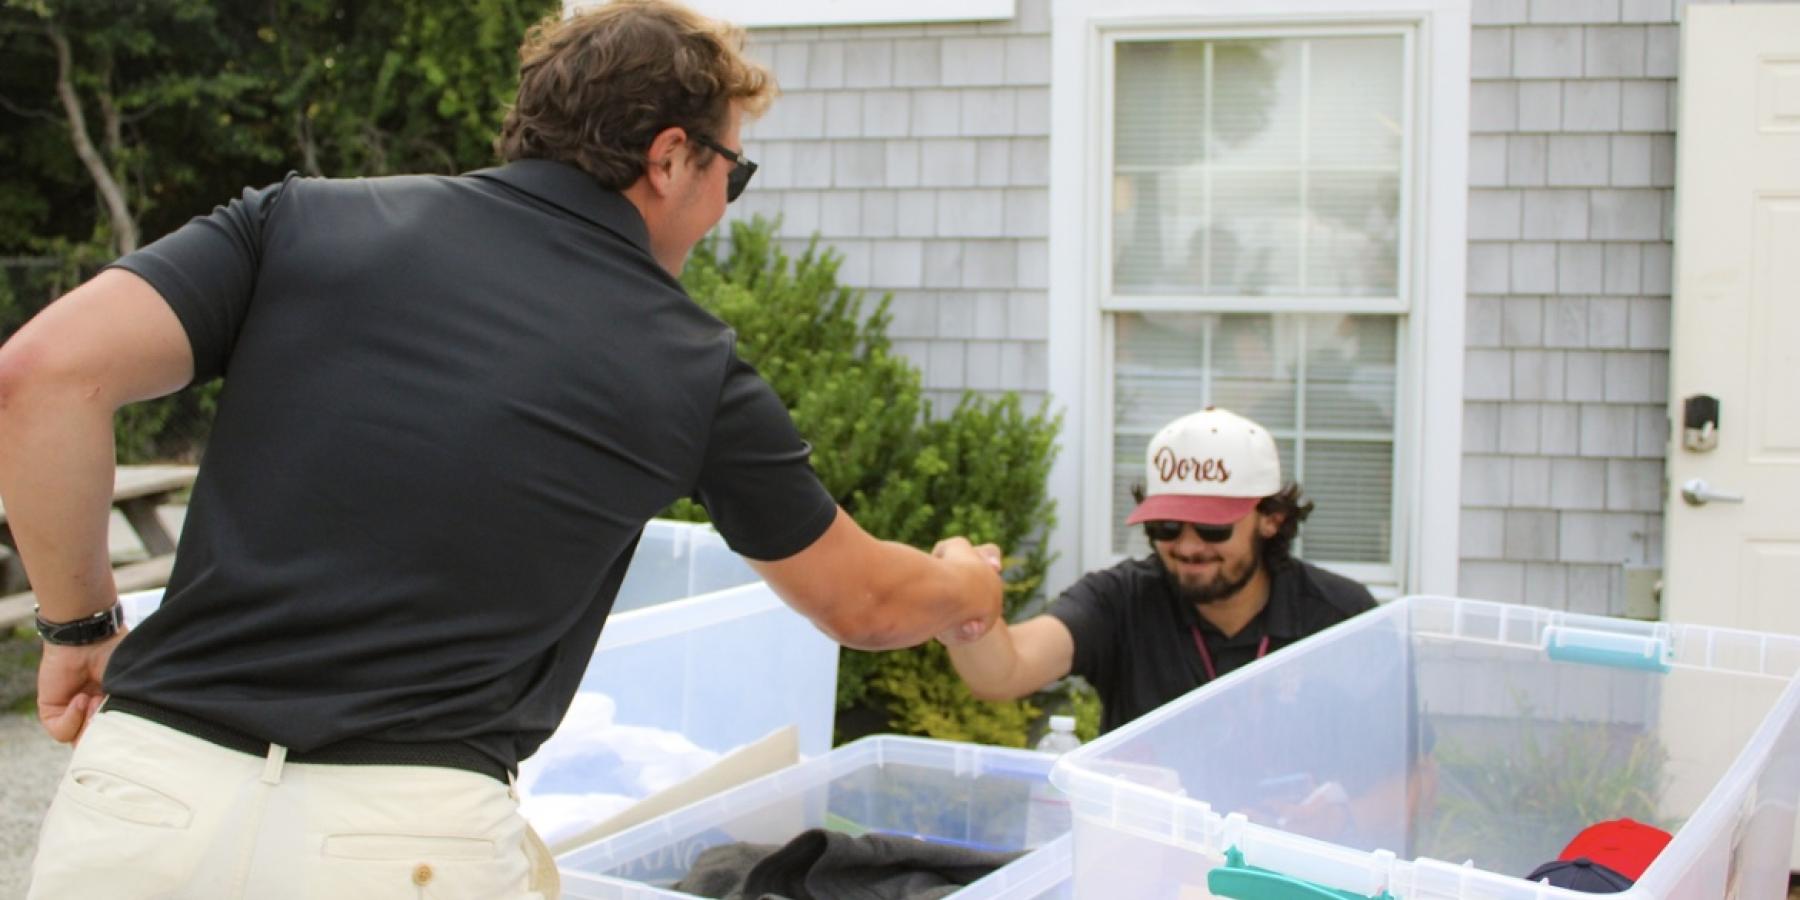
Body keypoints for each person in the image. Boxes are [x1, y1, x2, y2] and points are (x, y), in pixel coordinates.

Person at [0, 3, 1003, 898]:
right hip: (402, 842)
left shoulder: (298, 223)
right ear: (667, 160)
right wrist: (964, 584)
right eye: (731, 172)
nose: (724, 203)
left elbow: (39, 376)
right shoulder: (689, 363)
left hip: (141, 798)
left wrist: (79, 622)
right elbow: (861, 601)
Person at [941, 406, 1375, 735]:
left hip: (1289, 851)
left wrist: (1338, 813)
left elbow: (1404, 773)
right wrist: (961, 597)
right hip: (1153, 850)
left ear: (1271, 519)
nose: (1187, 546)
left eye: (1212, 527)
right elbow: (1004, 672)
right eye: (1166, 525)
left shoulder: (1343, 616)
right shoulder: (1121, 600)